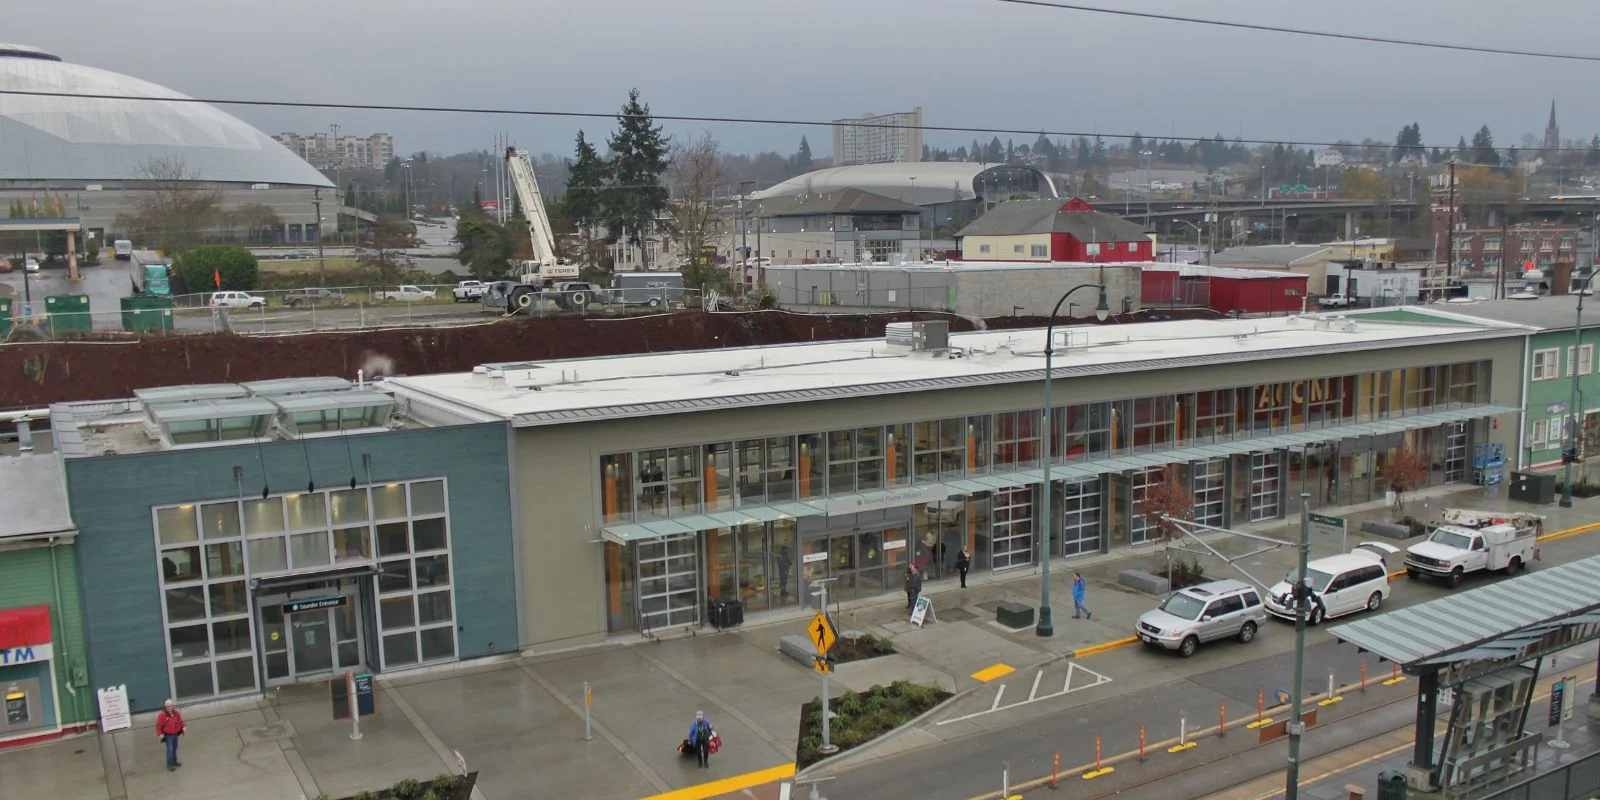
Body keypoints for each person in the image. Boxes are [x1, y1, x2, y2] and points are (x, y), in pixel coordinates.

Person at [156, 699, 185, 771]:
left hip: (175, 734)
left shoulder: (176, 713)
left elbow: (180, 721)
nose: (169, 708)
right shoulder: (162, 715)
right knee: (170, 749)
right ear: (165, 707)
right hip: (168, 735)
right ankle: (170, 764)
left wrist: (184, 726)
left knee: (175, 748)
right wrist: (160, 734)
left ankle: (174, 761)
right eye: (167, 706)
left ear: (172, 706)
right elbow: (158, 726)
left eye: (170, 706)